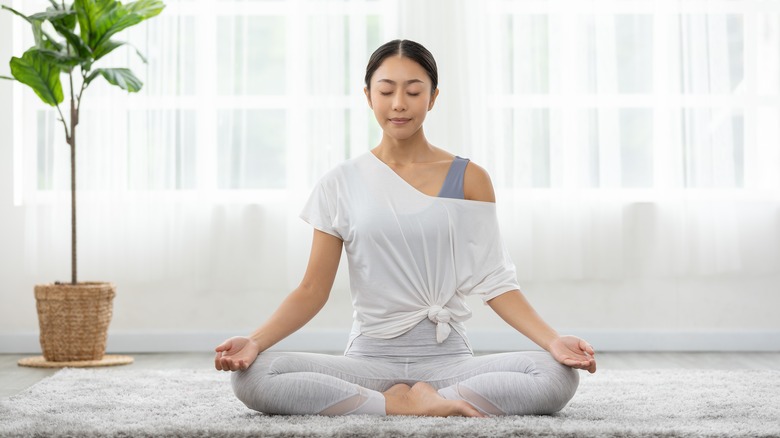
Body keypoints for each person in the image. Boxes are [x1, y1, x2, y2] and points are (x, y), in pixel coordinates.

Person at [214, 39, 597, 418]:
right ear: (368, 96)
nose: (399, 103)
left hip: (448, 363)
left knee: (554, 375)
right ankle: (398, 403)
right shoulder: (340, 182)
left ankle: (409, 401)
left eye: (414, 92)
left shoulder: (469, 179)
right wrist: (255, 341)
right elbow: (312, 290)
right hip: (369, 362)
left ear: (432, 98)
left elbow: (496, 281)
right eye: (386, 91)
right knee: (255, 376)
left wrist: (552, 340)